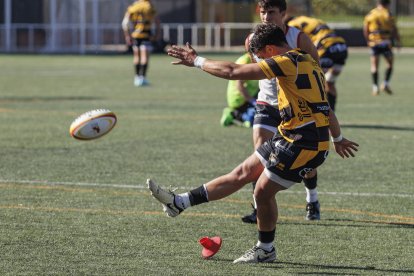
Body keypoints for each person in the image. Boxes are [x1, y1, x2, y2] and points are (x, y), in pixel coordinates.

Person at [148, 23, 359, 263]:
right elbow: (324, 106)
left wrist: (196, 60)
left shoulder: (285, 61)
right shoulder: (309, 61)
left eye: (258, 56)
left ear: (270, 49)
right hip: (291, 136)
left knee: (262, 192)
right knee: (242, 173)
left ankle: (265, 248)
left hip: (304, 144)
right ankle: (180, 203)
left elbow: (232, 71)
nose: (257, 61)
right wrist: (338, 138)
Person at [242, 0, 321, 224]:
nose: (266, 16)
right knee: (259, 154)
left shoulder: (298, 38)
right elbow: (255, 69)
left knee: (306, 163)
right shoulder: (252, 40)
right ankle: (258, 207)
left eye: (272, 12)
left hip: (297, 108)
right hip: (268, 104)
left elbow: (316, 67)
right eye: (263, 11)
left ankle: (312, 198)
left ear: (283, 13)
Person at [285, 15, 348, 111]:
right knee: (329, 83)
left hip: (326, 47)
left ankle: (320, 113)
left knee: (314, 82)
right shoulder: (309, 19)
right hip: (341, 45)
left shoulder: (291, 25)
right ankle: (331, 113)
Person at [363, 0, 401, 96]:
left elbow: (365, 29)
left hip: (374, 43)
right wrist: (398, 41)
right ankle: (385, 83)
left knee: (374, 66)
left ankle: (375, 87)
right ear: (387, 4)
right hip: (386, 43)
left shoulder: (371, 14)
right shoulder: (388, 14)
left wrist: (368, 40)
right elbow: (394, 29)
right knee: (390, 64)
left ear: (378, 3)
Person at [122, 0, 161, 87]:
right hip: (146, 34)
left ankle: (136, 78)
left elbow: (125, 23)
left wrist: (127, 35)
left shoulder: (133, 7)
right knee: (144, 57)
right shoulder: (149, 6)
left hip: (135, 35)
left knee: (136, 56)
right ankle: (142, 78)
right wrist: (158, 33)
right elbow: (157, 20)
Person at [221, 53, 259, 128]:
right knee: (260, 117)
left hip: (251, 95)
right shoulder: (246, 62)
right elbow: (239, 85)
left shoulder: (256, 59)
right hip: (241, 99)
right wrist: (252, 100)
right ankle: (233, 114)